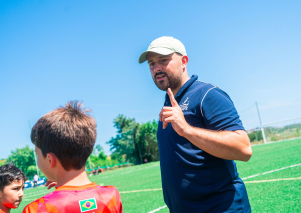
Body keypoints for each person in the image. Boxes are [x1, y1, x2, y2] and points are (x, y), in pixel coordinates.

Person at [139, 36, 252, 213]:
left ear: (184, 61)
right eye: (151, 64)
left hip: (221, 207)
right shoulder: (169, 103)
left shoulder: (207, 94)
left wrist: (187, 130)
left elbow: (243, 148)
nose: (157, 68)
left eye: (163, 60)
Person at [23, 101, 122, 213]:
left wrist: (63, 189)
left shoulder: (37, 209)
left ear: (50, 160)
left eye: (37, 154)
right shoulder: (112, 196)